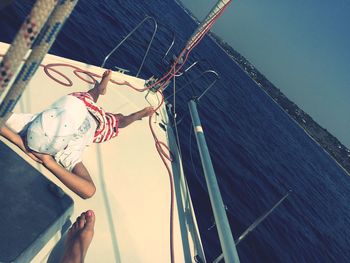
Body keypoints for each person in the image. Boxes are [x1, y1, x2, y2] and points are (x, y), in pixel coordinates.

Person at [0, 70, 154, 199]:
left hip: (78, 104)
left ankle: (101, 87)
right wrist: (49, 162)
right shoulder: (67, 152)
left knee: (90, 96)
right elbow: (88, 190)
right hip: (99, 124)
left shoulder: (33, 123)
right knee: (119, 119)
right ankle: (138, 114)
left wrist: (20, 142)